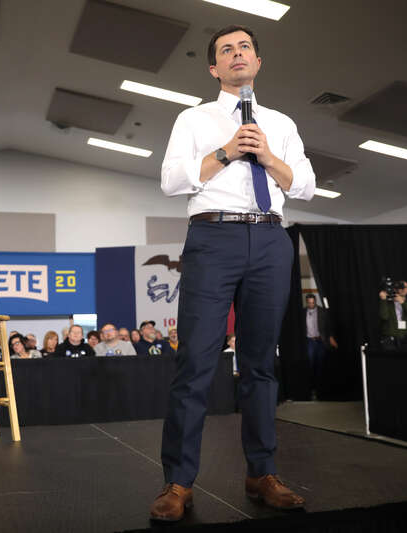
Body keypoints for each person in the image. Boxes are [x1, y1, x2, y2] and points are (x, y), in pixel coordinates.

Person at [152, 25, 316, 521]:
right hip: (213, 237)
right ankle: (179, 481)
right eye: (226, 50)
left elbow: (305, 185)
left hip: (270, 238)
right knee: (196, 362)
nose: (237, 54)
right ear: (214, 68)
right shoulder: (193, 118)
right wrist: (226, 151)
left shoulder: (282, 123)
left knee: (261, 363)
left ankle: (261, 473)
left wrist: (266, 155)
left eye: (244, 47)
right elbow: (171, 180)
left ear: (258, 62)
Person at [304, 294, 337, 400]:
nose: (311, 304)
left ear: (315, 301)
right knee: (310, 363)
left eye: (312, 302)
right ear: (306, 302)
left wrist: (331, 338)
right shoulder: (303, 312)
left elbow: (328, 326)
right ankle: (312, 388)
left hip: (320, 340)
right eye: (309, 302)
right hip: (310, 340)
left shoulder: (322, 311)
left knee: (320, 364)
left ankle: (320, 389)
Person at [378, 281, 407, 351]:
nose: (402, 289)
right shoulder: (388, 303)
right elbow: (384, 316)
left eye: (404, 287)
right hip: (390, 339)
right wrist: (383, 300)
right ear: (395, 289)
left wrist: (403, 302)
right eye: (400, 287)